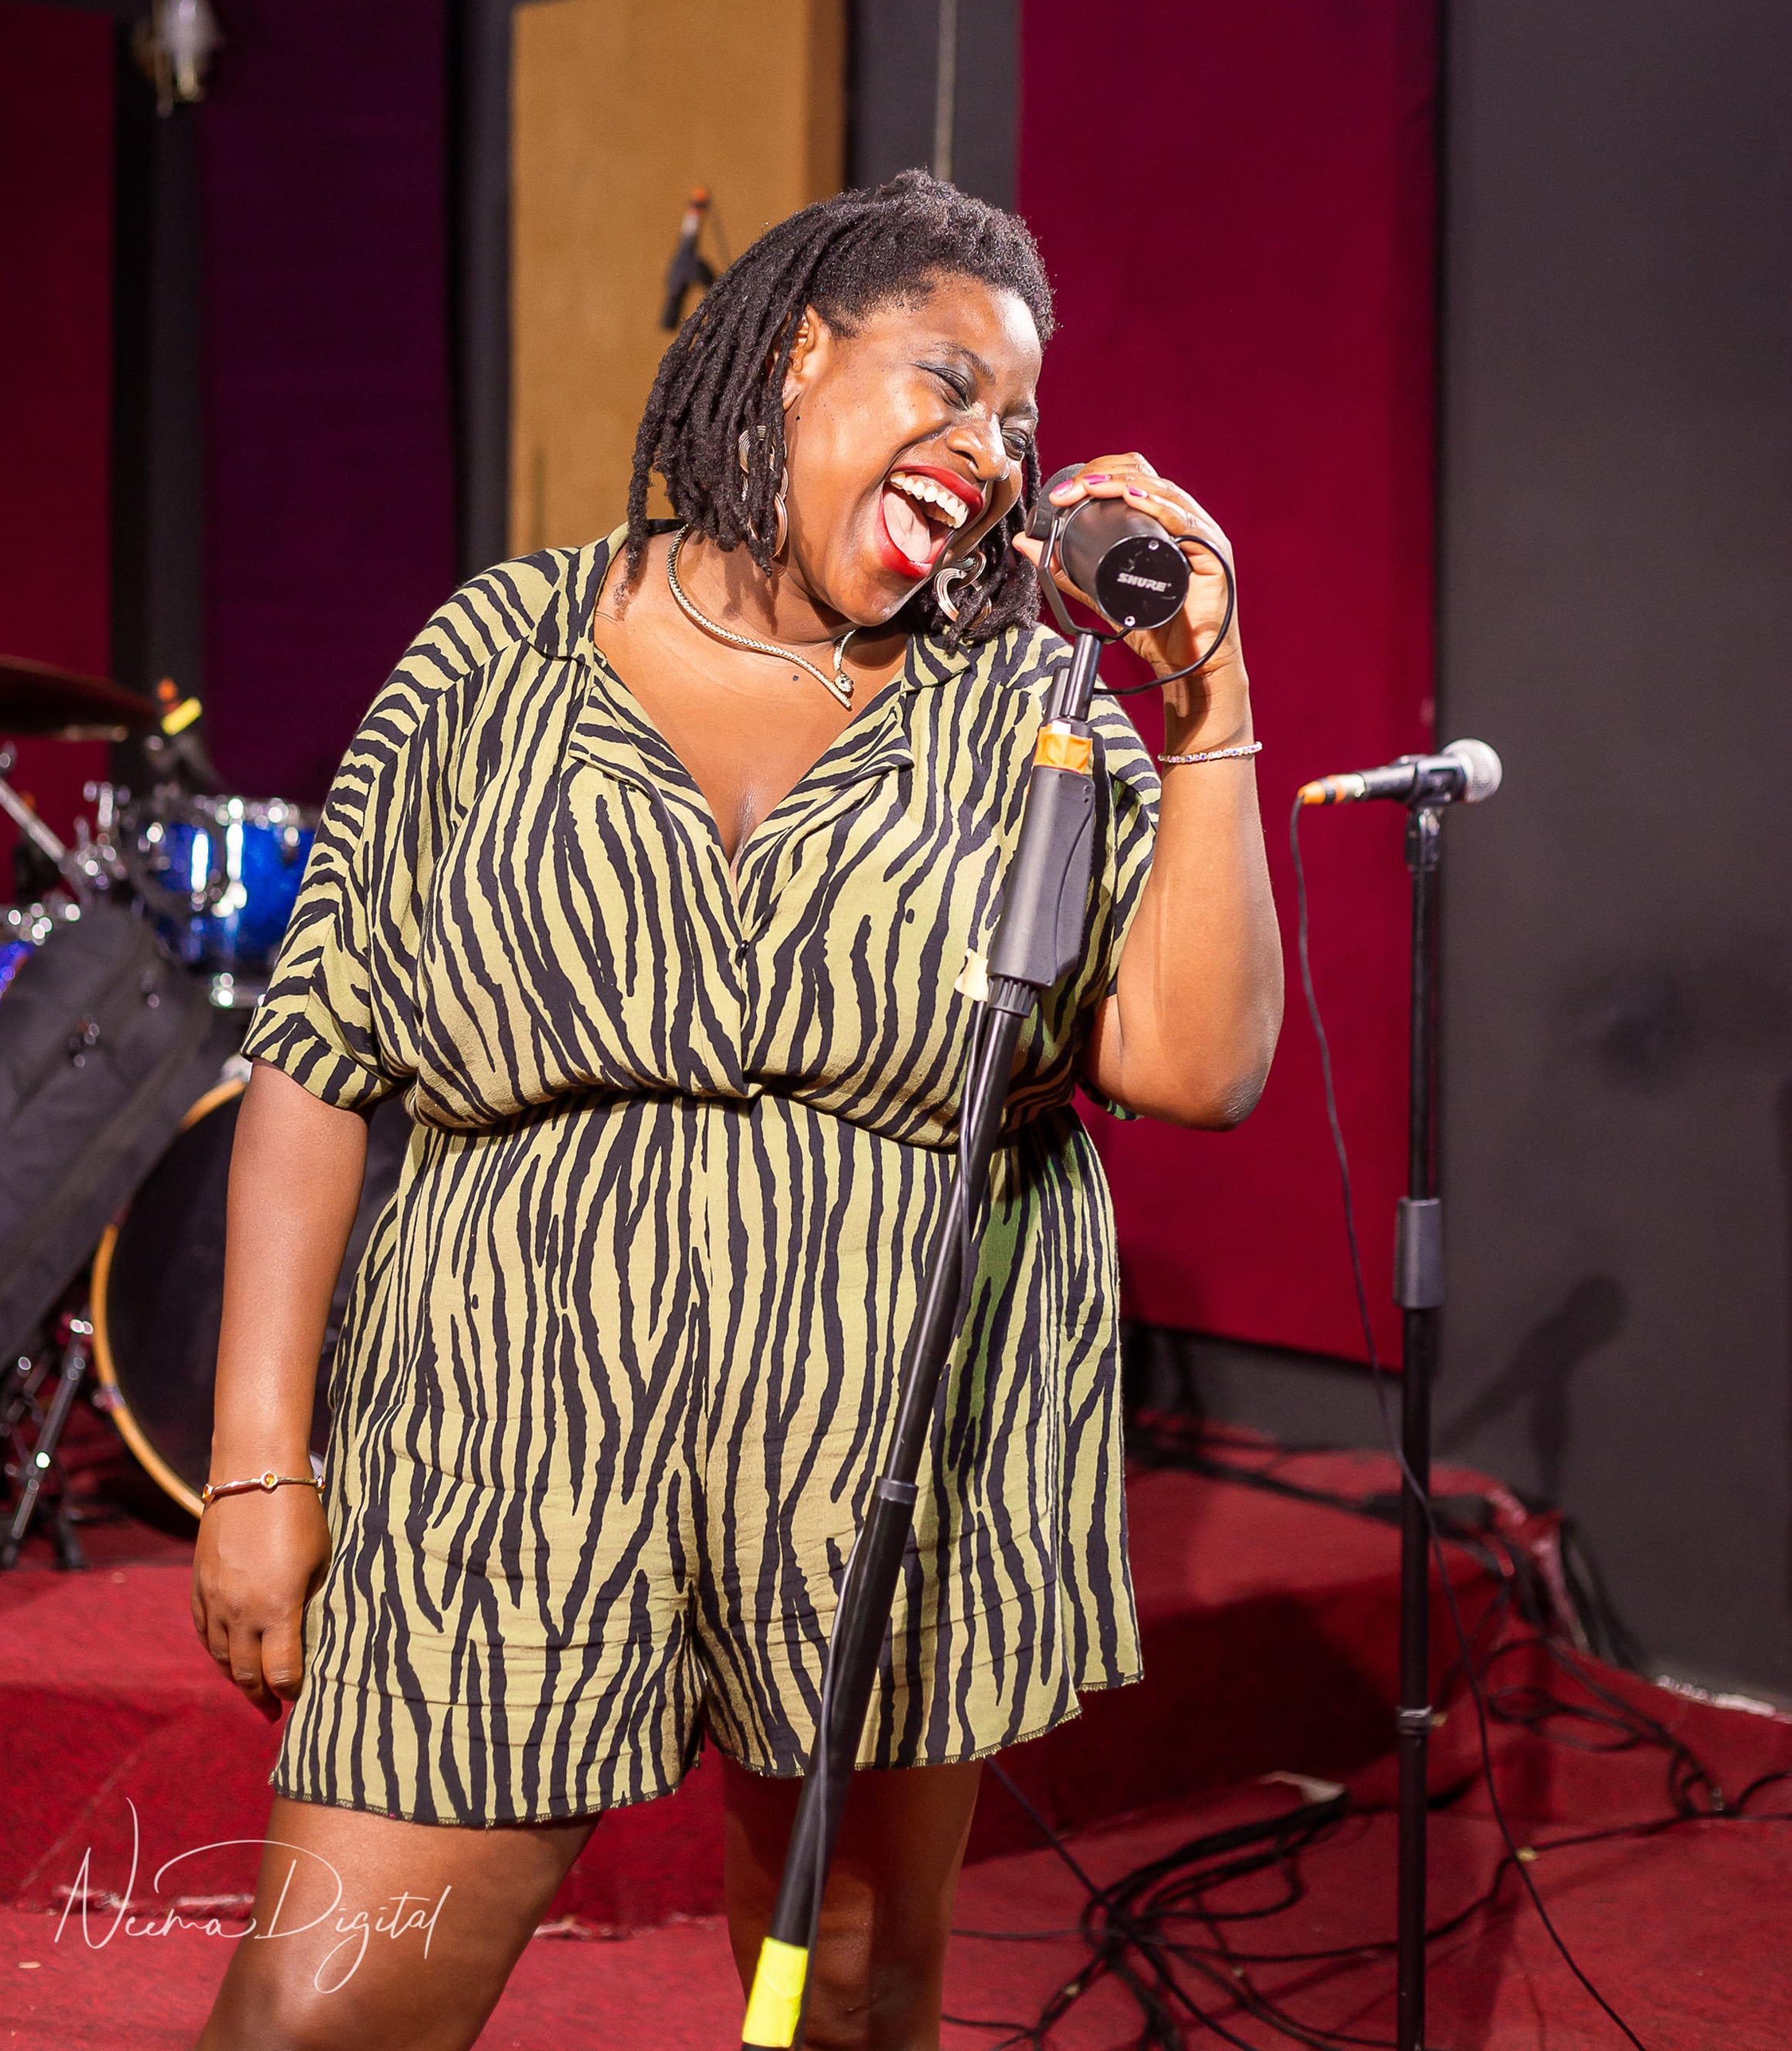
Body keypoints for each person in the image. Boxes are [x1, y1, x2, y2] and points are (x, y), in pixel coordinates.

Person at [192, 171, 1282, 2051]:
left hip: (892, 1454)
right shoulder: (499, 653)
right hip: (502, 1444)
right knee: (317, 2011)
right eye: (949, 383)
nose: (992, 452)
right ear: (796, 353)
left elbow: (1199, 1066)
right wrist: (257, 1464)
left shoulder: (1023, 711)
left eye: (1019, 422)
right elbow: (317, 1055)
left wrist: (1209, 697)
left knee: (854, 1996)